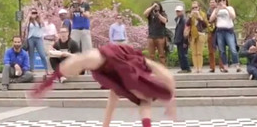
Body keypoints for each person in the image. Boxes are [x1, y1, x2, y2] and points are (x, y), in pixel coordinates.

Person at [30, 44, 177, 127]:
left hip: (113, 66)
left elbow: (111, 105)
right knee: (86, 59)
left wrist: (105, 125)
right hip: (119, 56)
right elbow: (167, 76)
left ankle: (48, 82)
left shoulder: (121, 87)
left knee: (86, 59)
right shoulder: (143, 67)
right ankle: (47, 82)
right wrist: (170, 103)